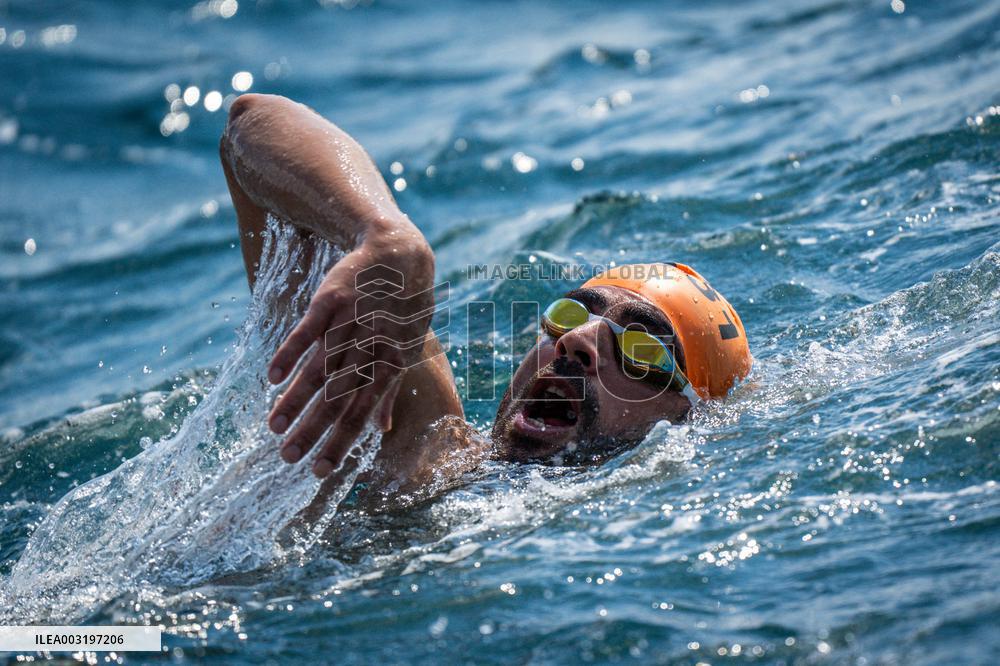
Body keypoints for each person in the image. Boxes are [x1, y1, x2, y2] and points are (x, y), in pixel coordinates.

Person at [220, 94, 752, 499]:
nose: (579, 341)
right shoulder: (425, 451)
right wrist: (384, 234)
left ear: (688, 418)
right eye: (568, 316)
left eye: (642, 349)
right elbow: (249, 123)